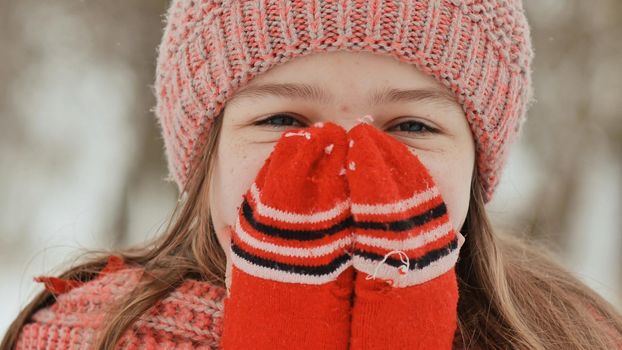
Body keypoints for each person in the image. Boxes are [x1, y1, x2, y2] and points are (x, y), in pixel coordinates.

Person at [3, 0, 622, 349]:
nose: (350, 165)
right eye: (282, 118)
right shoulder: (91, 339)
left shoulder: (572, 337)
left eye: (410, 127)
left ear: (477, 162)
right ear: (206, 156)